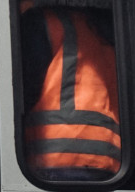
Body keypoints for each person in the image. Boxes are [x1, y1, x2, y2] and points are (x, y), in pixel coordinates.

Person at [21, 2, 121, 181]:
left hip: (55, 158)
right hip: (108, 161)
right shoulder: (109, 31)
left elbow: (22, 91)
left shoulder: (45, 22)